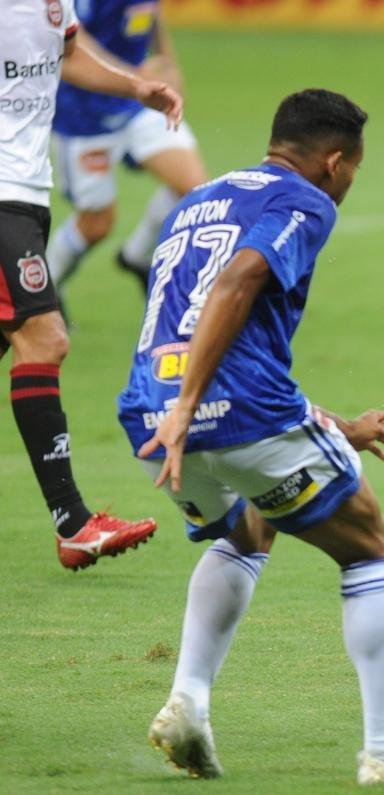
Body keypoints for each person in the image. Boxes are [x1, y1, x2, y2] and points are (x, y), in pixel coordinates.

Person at [123, 88, 384, 785]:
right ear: (334, 163)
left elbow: (214, 337)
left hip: (151, 414)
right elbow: (238, 283)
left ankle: (188, 701)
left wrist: (339, 427)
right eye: (353, 170)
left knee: (248, 529)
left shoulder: (197, 201)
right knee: (370, 541)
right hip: (210, 407)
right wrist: (194, 403)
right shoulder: (307, 202)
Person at [2, 0, 181, 569]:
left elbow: (70, 51)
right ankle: (73, 523)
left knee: (13, 339)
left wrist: (136, 87)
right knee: (44, 338)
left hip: (29, 190)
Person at [47, 1, 208, 301]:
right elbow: (72, 38)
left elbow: (150, 14)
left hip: (140, 105)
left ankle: (137, 255)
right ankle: (48, 290)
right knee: (97, 224)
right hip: (84, 116)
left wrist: (168, 63)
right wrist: (135, 79)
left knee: (193, 189)